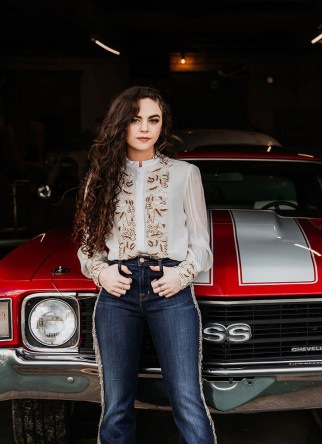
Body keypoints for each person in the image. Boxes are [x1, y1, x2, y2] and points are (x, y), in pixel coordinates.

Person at [73, 85, 216, 444]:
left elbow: (202, 244)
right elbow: (88, 248)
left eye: (153, 120)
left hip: (169, 287)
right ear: (120, 123)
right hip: (117, 291)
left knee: (187, 398)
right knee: (116, 403)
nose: (144, 128)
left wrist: (181, 275)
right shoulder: (99, 178)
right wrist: (102, 272)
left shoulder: (185, 173)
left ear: (162, 125)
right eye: (135, 119)